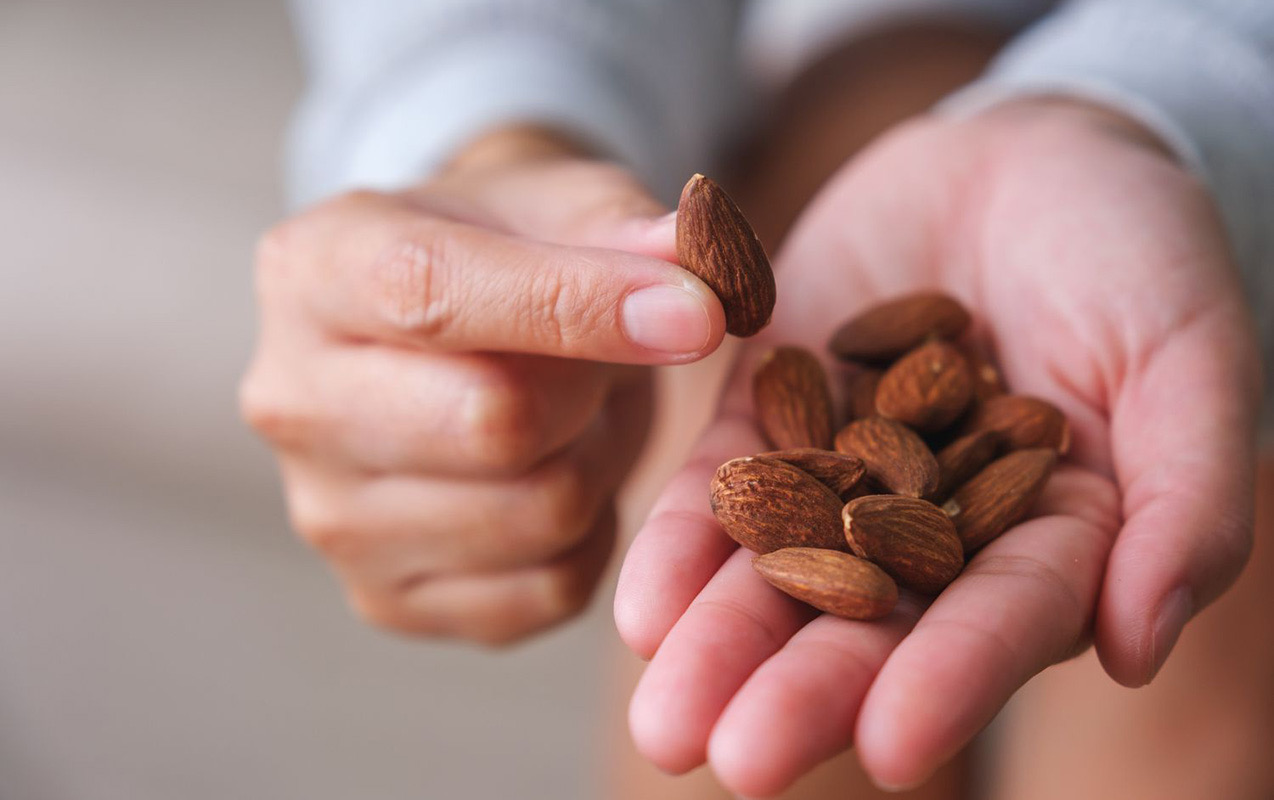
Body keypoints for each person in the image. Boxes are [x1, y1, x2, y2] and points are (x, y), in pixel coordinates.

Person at [241, 1, 1274, 796]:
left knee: (1184, 713)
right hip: (852, 52)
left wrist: (1164, 108)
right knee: (748, 746)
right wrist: (501, 131)